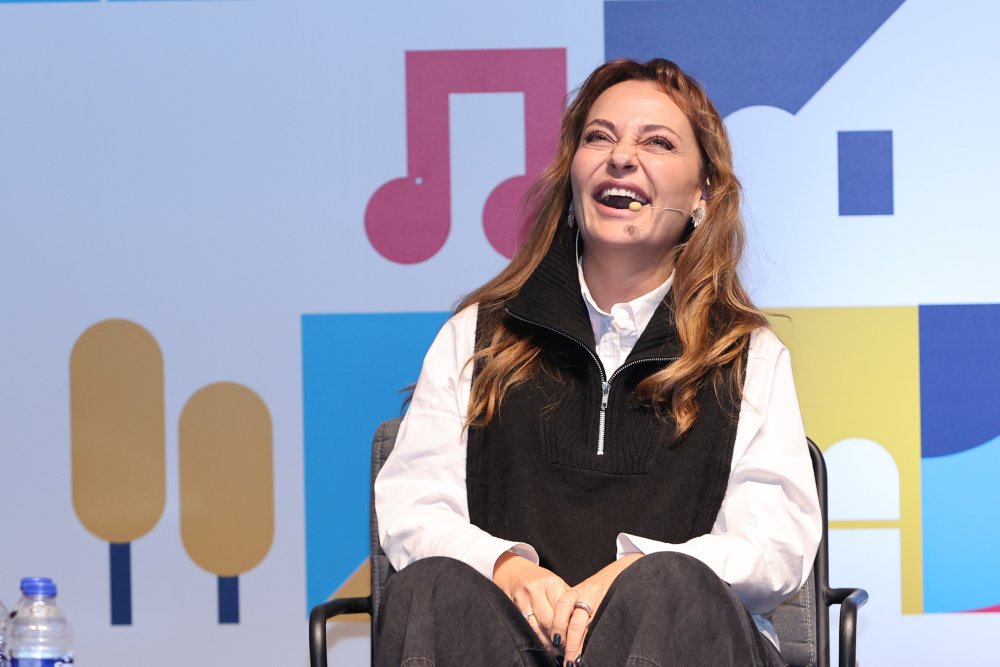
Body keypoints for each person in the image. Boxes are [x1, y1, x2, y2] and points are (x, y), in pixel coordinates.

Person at [373, 57, 822, 667]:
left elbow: (776, 546)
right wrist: (504, 568)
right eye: (599, 137)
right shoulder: (476, 337)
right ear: (572, 173)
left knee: (671, 586)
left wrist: (638, 571)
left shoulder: (747, 356)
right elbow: (414, 505)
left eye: (657, 142)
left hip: (686, 643)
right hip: (519, 644)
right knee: (429, 588)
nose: (621, 158)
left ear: (703, 193)